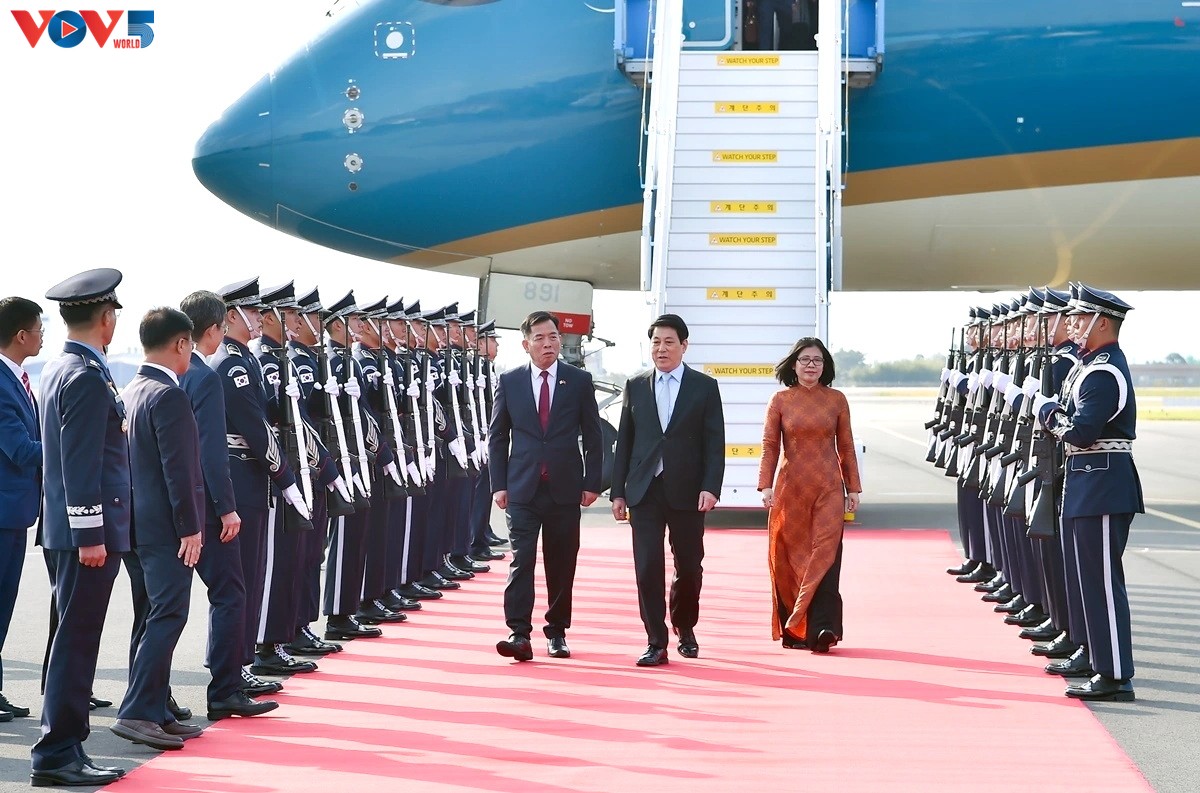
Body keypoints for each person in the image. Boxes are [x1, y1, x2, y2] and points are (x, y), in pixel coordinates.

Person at [32, 268, 130, 787]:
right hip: (85, 535)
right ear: (107, 318)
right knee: (77, 639)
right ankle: (58, 752)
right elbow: (80, 462)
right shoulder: (87, 375)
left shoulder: (60, 366)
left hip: (66, 530)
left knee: (71, 636)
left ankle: (64, 746)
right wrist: (91, 534)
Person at [1032, 284, 1142, 702]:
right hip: (1086, 482)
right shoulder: (1089, 366)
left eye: (1080, 318)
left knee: (1101, 583)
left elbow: (1080, 431)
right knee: (1083, 580)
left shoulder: (1103, 372)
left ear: (1103, 323)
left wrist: (1046, 411)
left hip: (1103, 484)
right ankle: (1093, 655)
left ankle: (1115, 674)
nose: (1073, 324)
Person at [179, 290, 282, 718]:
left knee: (164, 609)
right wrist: (225, 506)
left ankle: (154, 700)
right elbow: (212, 451)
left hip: (181, 504)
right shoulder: (204, 375)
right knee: (231, 594)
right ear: (214, 328)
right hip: (209, 503)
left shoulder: (178, 373)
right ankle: (225, 688)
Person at [111, 307, 205, 751]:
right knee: (169, 613)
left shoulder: (131, 390)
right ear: (181, 344)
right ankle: (138, 712)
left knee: (150, 615)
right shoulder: (169, 395)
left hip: (134, 523)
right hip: (165, 527)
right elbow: (179, 471)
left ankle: (157, 709)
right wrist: (190, 528)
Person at [610, 314, 725, 667]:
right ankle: (655, 641)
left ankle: (684, 626)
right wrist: (617, 492)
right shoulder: (636, 385)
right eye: (656, 342)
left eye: (669, 342)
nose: (661, 349)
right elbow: (625, 442)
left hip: (687, 491)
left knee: (689, 566)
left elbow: (714, 443)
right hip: (644, 490)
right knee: (647, 566)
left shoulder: (704, 387)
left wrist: (710, 487)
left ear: (684, 346)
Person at [489, 311, 603, 662]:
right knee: (521, 560)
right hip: (522, 488)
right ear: (526, 344)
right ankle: (519, 633)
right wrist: (498, 484)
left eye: (553, 336)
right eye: (539, 338)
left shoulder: (578, 381)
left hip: (565, 488)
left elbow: (594, 436)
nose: (548, 343)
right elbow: (497, 437)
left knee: (561, 563)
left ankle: (557, 632)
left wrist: (593, 483)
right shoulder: (510, 381)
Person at [758, 337, 861, 653]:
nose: (811, 366)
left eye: (817, 360)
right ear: (794, 365)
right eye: (805, 360)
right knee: (792, 558)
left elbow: (846, 446)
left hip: (828, 488)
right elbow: (770, 446)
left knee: (826, 553)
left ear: (825, 366)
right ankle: (796, 630)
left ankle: (824, 628)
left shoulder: (836, 400)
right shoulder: (780, 400)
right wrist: (765, 485)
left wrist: (853, 488)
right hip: (791, 490)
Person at [0, 296, 44, 723]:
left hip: (13, 512)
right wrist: (71, 447)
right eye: (38, 329)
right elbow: (20, 450)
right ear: (20, 335)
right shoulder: (1, 382)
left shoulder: (17, 379)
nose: (42, 336)